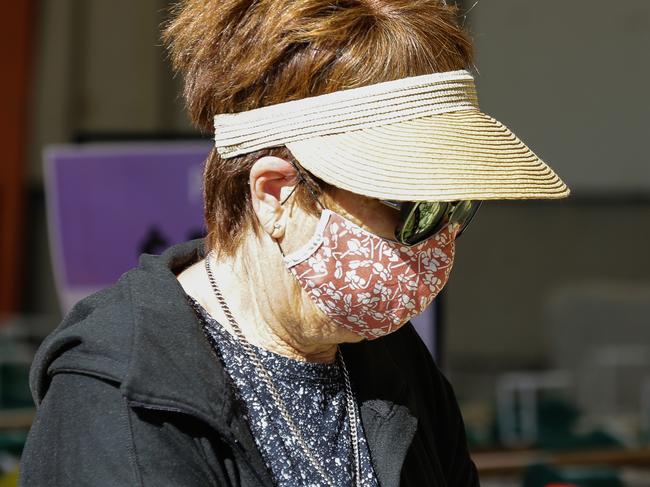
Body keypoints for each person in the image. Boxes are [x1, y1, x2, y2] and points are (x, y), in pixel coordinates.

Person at [19, 1, 570, 486]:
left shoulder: (394, 364)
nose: (439, 239)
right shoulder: (121, 403)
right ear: (276, 195)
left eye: (456, 208)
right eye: (411, 209)